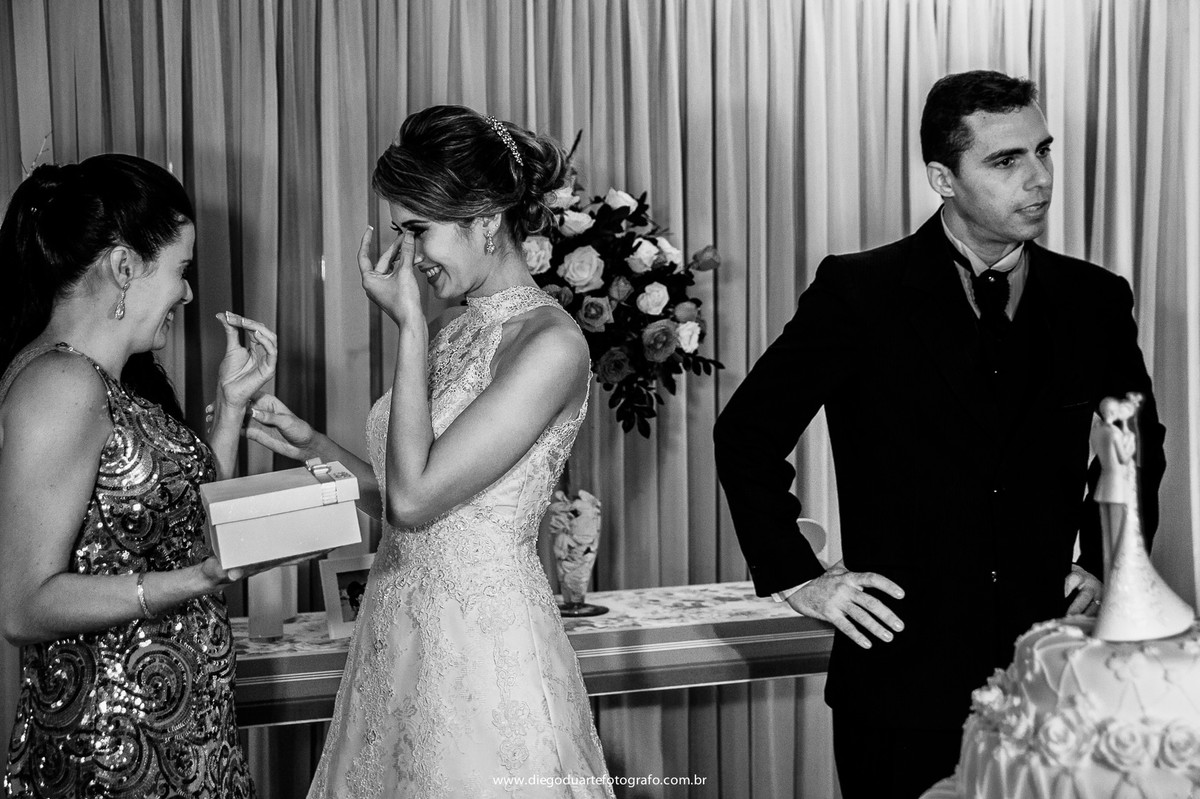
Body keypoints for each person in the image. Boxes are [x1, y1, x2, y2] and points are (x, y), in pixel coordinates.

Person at [713, 70, 1166, 799]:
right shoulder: (858, 293)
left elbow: (1134, 444)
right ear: (942, 178)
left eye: (1043, 151)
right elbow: (746, 435)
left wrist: (1105, 558)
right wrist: (799, 576)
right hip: (900, 683)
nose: (1040, 178)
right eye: (1006, 160)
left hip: (1052, 681)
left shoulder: (1095, 298)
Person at [247, 105, 613, 797]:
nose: (412, 254)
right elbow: (402, 500)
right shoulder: (452, 331)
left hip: (480, 648)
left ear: (485, 218)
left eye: (420, 230)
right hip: (395, 631)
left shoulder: (551, 345)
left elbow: (414, 501)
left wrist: (409, 324)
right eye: (402, 232)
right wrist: (313, 445)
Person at [0, 154, 277, 798]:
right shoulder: (59, 384)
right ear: (125, 268)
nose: (187, 293)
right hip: (115, 754)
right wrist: (199, 579)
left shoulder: (108, 383)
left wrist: (230, 409)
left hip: (181, 733)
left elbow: (180, 529)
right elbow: (24, 605)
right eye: (181, 270)